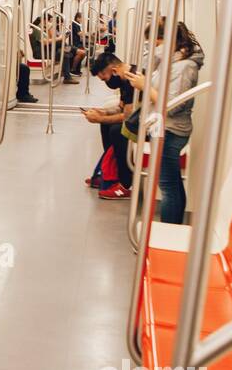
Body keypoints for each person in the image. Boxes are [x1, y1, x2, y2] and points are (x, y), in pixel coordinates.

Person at [126, 22, 205, 224]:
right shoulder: (171, 62)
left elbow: (172, 105)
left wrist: (145, 86)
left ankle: (170, 228)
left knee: (168, 186)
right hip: (162, 126)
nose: (154, 46)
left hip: (171, 130)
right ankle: (173, 225)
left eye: (156, 42)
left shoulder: (185, 66)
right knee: (172, 183)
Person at [84, 51, 139, 199]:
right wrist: (103, 113)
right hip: (137, 117)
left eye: (105, 78)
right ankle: (110, 173)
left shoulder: (131, 80)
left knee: (117, 131)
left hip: (146, 122)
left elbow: (127, 116)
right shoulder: (123, 78)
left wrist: (100, 119)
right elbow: (121, 107)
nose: (107, 82)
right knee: (106, 125)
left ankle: (126, 184)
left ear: (113, 70)